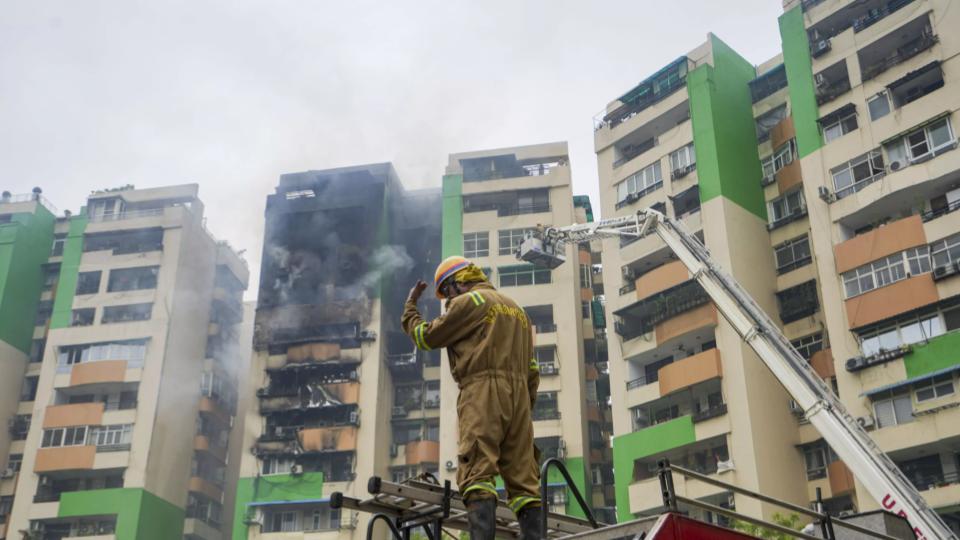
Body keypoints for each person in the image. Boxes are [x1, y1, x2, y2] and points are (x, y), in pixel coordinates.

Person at [402, 256, 543, 540]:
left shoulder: (470, 303)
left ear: (459, 282)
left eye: (448, 292)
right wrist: (523, 408)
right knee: (525, 482)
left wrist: (410, 308)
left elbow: (426, 337)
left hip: (482, 391)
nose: (449, 300)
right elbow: (532, 368)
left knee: (477, 471)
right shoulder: (517, 311)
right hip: (519, 400)